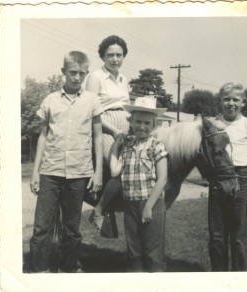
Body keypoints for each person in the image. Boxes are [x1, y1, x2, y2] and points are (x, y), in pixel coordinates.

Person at [29, 51, 103, 273]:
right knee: (42, 226)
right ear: (63, 72)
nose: (76, 77)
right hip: (51, 171)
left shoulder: (92, 101)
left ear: (86, 73)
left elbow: (98, 136)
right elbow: (42, 136)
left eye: (81, 73)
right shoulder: (50, 100)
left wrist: (98, 172)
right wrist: (35, 171)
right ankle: (38, 270)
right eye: (72, 72)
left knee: (72, 229)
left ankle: (69, 268)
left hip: (79, 172)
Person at [208, 82, 247, 271]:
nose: (231, 103)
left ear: (243, 102)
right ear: (220, 100)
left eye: (235, 99)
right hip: (219, 180)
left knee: (238, 238)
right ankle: (220, 280)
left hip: (242, 179)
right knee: (217, 237)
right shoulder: (213, 124)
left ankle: (239, 281)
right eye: (226, 99)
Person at [110, 97, 168, 272]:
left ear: (154, 125)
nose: (142, 126)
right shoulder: (127, 147)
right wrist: (116, 147)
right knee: (134, 252)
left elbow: (162, 178)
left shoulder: (156, 147)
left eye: (147, 123)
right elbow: (114, 171)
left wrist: (149, 207)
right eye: (138, 122)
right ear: (131, 122)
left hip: (151, 203)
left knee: (152, 252)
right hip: (130, 205)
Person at [85, 35, 130, 230]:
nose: (115, 59)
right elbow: (91, 111)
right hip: (103, 128)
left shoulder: (123, 79)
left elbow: (126, 107)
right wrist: (113, 130)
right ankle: (99, 210)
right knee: (120, 169)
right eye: (110, 55)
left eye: (118, 55)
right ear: (102, 56)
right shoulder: (96, 77)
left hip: (125, 127)